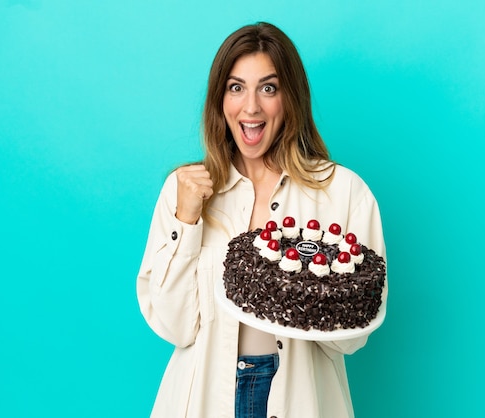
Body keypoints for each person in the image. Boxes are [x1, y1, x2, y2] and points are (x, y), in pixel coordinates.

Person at [137, 22, 387, 418]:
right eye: (236, 87)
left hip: (300, 400)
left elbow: (352, 339)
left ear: (290, 97)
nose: (250, 107)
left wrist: (308, 288)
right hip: (202, 397)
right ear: (220, 99)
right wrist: (186, 221)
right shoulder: (183, 190)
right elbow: (174, 326)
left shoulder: (344, 193)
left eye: (268, 88)